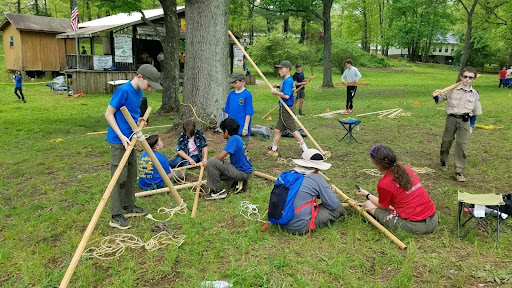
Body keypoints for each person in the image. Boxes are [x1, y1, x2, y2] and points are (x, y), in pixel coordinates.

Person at [104, 64, 162, 229]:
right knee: (119, 176)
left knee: (131, 173)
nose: (150, 89)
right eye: (149, 84)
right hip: (119, 140)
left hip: (131, 139)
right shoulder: (123, 91)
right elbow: (108, 114)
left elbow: (130, 114)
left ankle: (129, 206)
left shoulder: (139, 91)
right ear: (139, 77)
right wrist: (121, 136)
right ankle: (116, 214)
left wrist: (139, 121)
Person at [356, 145, 438, 234]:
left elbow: (382, 206)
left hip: (414, 226)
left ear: (378, 164)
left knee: (368, 204)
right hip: (433, 220)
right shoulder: (407, 170)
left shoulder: (384, 183)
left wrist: (367, 195)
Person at [432, 66, 482, 182]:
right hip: (451, 119)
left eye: (470, 77)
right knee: (446, 141)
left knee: (462, 145)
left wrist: (471, 125)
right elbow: (439, 99)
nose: (467, 80)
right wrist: (435, 95)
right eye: (465, 77)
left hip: (465, 121)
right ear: (461, 77)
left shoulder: (474, 94)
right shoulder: (451, 90)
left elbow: (475, 111)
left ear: (474, 79)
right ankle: (443, 160)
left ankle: (458, 171)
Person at [281, 149, 344, 236]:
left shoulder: (288, 175)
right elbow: (333, 204)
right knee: (338, 208)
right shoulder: (316, 178)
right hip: (298, 227)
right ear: (318, 168)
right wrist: (331, 193)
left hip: (279, 220)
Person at [268, 60, 308, 157]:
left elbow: (286, 95)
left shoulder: (288, 81)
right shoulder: (286, 80)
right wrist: (278, 86)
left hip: (287, 109)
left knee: (293, 130)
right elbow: (286, 89)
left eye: (281, 69)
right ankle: (274, 150)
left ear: (287, 69)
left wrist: (275, 93)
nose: (279, 70)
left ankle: (305, 150)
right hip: (284, 108)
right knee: (277, 130)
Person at [206, 118, 252, 200]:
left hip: (242, 173)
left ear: (226, 131)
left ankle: (218, 192)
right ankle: (237, 183)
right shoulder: (237, 138)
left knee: (212, 162)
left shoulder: (233, 139)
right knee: (214, 172)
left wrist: (209, 161)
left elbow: (220, 157)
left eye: (222, 131)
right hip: (245, 172)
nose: (221, 134)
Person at [224, 71, 254, 147]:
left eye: (235, 82)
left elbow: (248, 112)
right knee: (231, 146)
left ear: (242, 81)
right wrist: (226, 125)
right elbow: (227, 110)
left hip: (241, 127)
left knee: (242, 147)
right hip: (231, 127)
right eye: (232, 82)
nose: (233, 84)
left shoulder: (247, 94)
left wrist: (245, 127)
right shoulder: (231, 94)